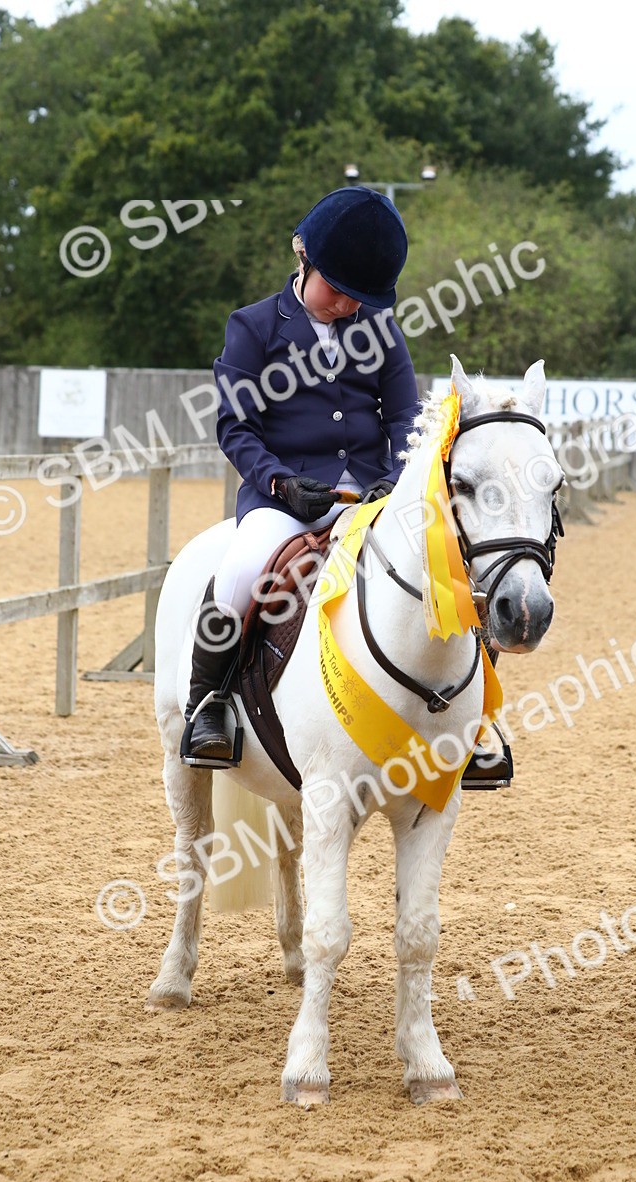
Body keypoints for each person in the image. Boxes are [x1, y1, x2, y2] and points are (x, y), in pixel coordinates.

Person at [182, 186, 420, 765]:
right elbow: (236, 427)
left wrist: (396, 477)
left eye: (356, 297)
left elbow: (407, 416)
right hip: (285, 499)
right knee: (240, 572)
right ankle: (208, 701)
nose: (345, 306)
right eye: (336, 290)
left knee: (448, 561)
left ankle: (474, 721)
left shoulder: (381, 328)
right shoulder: (253, 327)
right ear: (303, 259)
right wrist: (280, 484)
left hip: (372, 498)